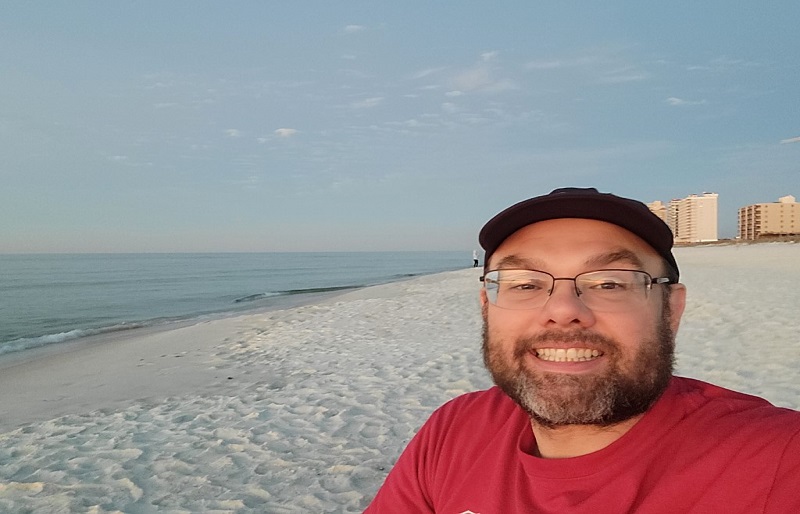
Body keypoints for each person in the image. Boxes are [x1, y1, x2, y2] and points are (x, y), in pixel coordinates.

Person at [366, 187, 800, 513]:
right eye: (525, 284)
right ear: (486, 308)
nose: (562, 311)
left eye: (609, 283)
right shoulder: (453, 431)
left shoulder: (776, 459)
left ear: (671, 309)